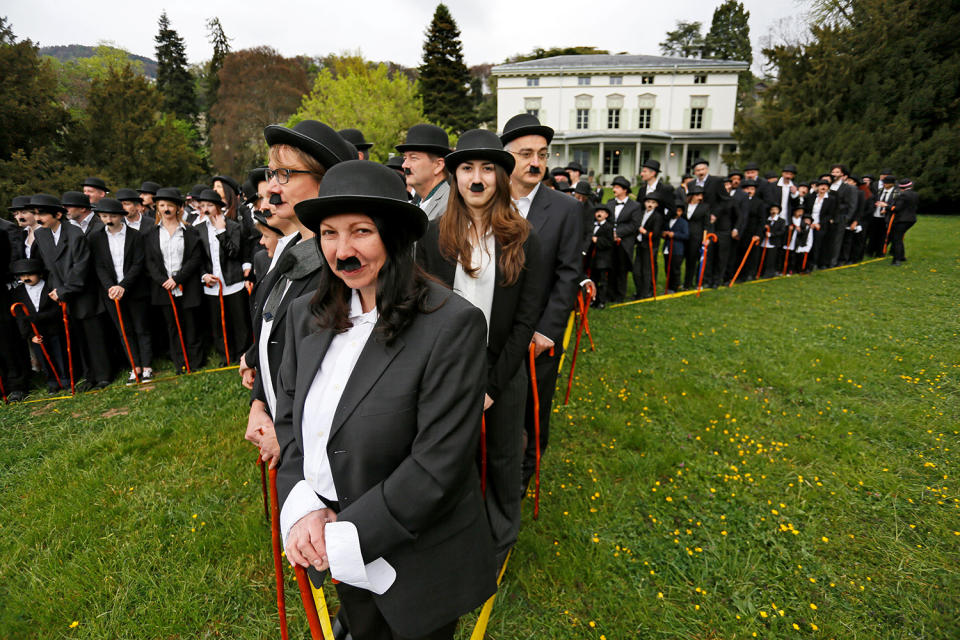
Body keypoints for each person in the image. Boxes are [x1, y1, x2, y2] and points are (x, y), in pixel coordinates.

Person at [275, 159, 496, 640]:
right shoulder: (302, 317)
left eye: (360, 232)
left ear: (394, 238)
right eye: (330, 234)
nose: (342, 250)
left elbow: (438, 463)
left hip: (417, 557)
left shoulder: (451, 325)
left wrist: (341, 537)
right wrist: (302, 509)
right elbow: (289, 422)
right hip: (336, 543)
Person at [416, 128, 543, 567]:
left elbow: (525, 320)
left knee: (505, 457)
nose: (477, 178)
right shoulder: (431, 238)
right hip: (445, 371)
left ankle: (500, 541)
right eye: (467, 168)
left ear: (501, 178)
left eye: (488, 169)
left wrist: (492, 383)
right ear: (454, 177)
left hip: (502, 370)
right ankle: (456, 536)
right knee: (451, 458)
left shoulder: (525, 240)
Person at [242, 119, 353, 470]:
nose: (272, 187)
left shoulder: (343, 266)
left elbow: (337, 375)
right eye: (272, 173)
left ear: (323, 179)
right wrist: (260, 403)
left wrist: (287, 434)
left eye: (284, 174)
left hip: (321, 447)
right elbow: (270, 337)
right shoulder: (289, 249)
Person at [499, 113, 581, 493]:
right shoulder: (486, 202)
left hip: (538, 340)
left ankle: (521, 481)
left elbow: (569, 274)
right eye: (526, 154)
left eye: (543, 155)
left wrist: (547, 330)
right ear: (506, 157)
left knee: (533, 413)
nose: (536, 163)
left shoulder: (565, 209)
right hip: (493, 335)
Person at [32, 193, 113, 390]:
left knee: (93, 336)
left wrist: (65, 290)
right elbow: (47, 266)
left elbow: (81, 267)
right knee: (76, 337)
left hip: (83, 292)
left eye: (42, 213)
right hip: (60, 294)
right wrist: (54, 290)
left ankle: (103, 375)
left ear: (58, 214)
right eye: (35, 213)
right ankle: (88, 375)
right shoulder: (41, 234)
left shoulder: (75, 234)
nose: (37, 218)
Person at [89, 198, 154, 383]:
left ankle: (147, 366)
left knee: (141, 328)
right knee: (124, 331)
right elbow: (99, 266)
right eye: (104, 216)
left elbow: (138, 263)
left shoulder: (135, 235)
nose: (108, 219)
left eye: (112, 216)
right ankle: (135, 367)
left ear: (121, 216)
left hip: (135, 289)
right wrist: (111, 287)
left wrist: (123, 285)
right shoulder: (96, 238)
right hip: (111, 293)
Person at [143, 188, 205, 373]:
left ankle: (194, 361)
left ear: (178, 208)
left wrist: (178, 279)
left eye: (170, 205)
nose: (166, 209)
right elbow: (150, 262)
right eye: (162, 205)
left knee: (192, 325)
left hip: (187, 285)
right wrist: (164, 281)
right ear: (157, 208)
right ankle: (180, 362)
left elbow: (195, 258)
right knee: (172, 326)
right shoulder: (151, 233)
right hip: (164, 288)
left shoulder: (190, 231)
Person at [193, 188, 252, 366]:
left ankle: (242, 354)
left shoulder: (233, 226)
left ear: (218, 207)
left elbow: (234, 252)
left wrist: (221, 232)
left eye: (210, 205)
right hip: (212, 284)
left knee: (239, 321)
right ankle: (225, 355)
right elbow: (197, 257)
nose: (206, 209)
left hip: (233, 281)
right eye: (202, 206)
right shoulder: (198, 229)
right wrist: (203, 275)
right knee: (218, 323)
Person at [10, 258, 69, 392]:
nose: (26, 278)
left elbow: (57, 310)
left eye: (30, 275)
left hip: (54, 328)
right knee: (43, 356)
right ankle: (52, 381)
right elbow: (20, 317)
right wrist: (30, 335)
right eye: (23, 276)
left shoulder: (50, 286)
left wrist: (36, 317)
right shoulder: (18, 293)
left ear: (40, 274)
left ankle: (65, 378)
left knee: (60, 353)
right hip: (35, 332)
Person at [397, 124, 452, 221]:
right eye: (405, 158)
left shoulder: (450, 207)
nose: (404, 165)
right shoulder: (416, 203)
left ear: (438, 165)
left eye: (413, 158)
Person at [605, 175, 640, 302]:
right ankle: (609, 294)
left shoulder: (635, 206)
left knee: (622, 269)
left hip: (625, 243)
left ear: (625, 190)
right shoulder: (609, 203)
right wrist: (610, 233)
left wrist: (618, 233)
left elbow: (634, 225)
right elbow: (606, 221)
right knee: (610, 267)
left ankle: (620, 295)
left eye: (617, 187)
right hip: (610, 242)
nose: (614, 189)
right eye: (614, 186)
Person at [632, 192, 664, 299]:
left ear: (656, 205)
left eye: (653, 202)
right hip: (640, 244)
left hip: (650, 246)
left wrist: (644, 232)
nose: (650, 204)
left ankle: (647, 292)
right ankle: (639, 290)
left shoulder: (657, 217)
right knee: (636, 270)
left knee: (647, 270)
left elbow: (655, 233)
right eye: (648, 202)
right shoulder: (641, 213)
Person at [681, 184, 710, 290]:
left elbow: (707, 224)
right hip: (683, 236)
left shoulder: (704, 207)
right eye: (698, 195)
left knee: (692, 261)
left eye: (701, 195)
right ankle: (680, 282)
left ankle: (689, 283)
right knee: (680, 259)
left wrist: (705, 238)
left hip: (696, 237)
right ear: (692, 195)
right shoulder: (684, 205)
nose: (700, 197)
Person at [886, 178, 918, 265]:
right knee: (899, 237)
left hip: (902, 220)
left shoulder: (902, 195)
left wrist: (886, 206)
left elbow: (897, 209)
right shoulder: (915, 194)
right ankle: (902, 256)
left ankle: (896, 260)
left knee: (897, 239)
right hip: (912, 219)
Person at [588, 203, 615, 306]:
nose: (599, 214)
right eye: (598, 212)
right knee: (593, 279)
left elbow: (609, 242)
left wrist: (597, 240)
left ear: (606, 215)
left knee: (602, 281)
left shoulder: (608, 227)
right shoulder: (592, 225)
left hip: (603, 259)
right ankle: (593, 299)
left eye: (602, 212)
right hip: (593, 258)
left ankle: (601, 301)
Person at [662, 204, 689, 294]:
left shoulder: (683, 222)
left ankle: (674, 287)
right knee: (667, 268)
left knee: (675, 268)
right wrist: (664, 234)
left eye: (679, 211)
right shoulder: (668, 221)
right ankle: (668, 286)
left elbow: (686, 235)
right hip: (667, 248)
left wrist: (675, 235)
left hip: (677, 249)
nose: (676, 213)